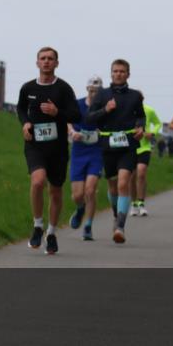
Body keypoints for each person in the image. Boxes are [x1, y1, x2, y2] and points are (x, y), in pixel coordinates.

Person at [16, 47, 81, 255]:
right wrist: (25, 124)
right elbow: (20, 109)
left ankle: (51, 233)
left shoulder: (63, 89)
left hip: (58, 147)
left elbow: (76, 115)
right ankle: (37, 225)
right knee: (37, 181)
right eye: (42, 59)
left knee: (55, 190)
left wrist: (57, 112)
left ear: (56, 63)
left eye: (50, 59)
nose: (46, 62)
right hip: (35, 145)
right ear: (37, 63)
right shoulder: (27, 88)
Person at [84, 59, 145, 244]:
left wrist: (140, 127)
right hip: (108, 145)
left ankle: (120, 226)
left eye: (122, 71)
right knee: (112, 187)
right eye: (115, 71)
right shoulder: (102, 95)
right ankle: (115, 213)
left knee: (123, 183)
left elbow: (140, 116)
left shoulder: (135, 96)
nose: (118, 74)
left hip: (128, 145)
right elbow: (89, 119)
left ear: (128, 74)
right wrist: (106, 109)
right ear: (111, 73)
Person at [67, 76, 104, 240]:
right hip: (78, 151)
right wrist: (72, 132)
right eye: (91, 89)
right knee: (77, 195)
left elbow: (109, 124)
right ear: (87, 89)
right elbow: (67, 121)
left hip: (96, 151)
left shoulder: (104, 107)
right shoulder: (77, 104)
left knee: (90, 190)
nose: (93, 92)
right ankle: (80, 209)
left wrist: (101, 132)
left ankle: (88, 226)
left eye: (96, 90)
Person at [129, 101, 160, 217]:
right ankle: (133, 204)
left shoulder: (149, 110)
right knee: (132, 176)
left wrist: (152, 134)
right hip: (130, 148)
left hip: (144, 147)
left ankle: (141, 203)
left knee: (141, 173)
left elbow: (157, 123)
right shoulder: (127, 110)